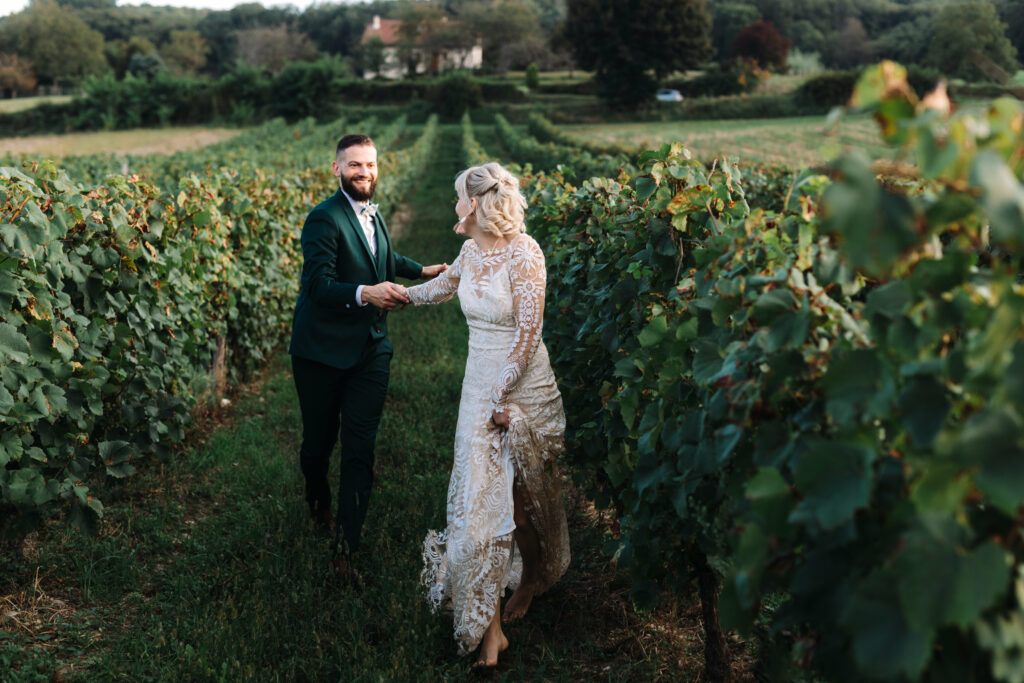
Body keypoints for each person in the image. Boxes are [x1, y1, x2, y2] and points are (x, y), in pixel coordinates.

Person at [405, 162, 570, 668]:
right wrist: (395, 296)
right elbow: (442, 288)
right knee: (479, 510)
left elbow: (527, 332)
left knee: (523, 507)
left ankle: (531, 580)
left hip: (522, 390)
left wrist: (502, 398)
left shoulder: (526, 252)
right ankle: (489, 628)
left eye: (459, 197)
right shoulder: (470, 250)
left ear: (474, 204)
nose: (455, 205)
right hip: (478, 390)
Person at [289, 133, 447, 582]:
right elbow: (318, 287)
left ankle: (344, 551)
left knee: (360, 448)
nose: (364, 173)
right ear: (336, 169)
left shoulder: (373, 213)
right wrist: (366, 293)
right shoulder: (323, 219)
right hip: (320, 352)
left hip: (371, 349)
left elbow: (381, 256)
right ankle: (316, 499)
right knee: (318, 447)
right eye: (355, 165)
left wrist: (421, 270)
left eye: (371, 165)